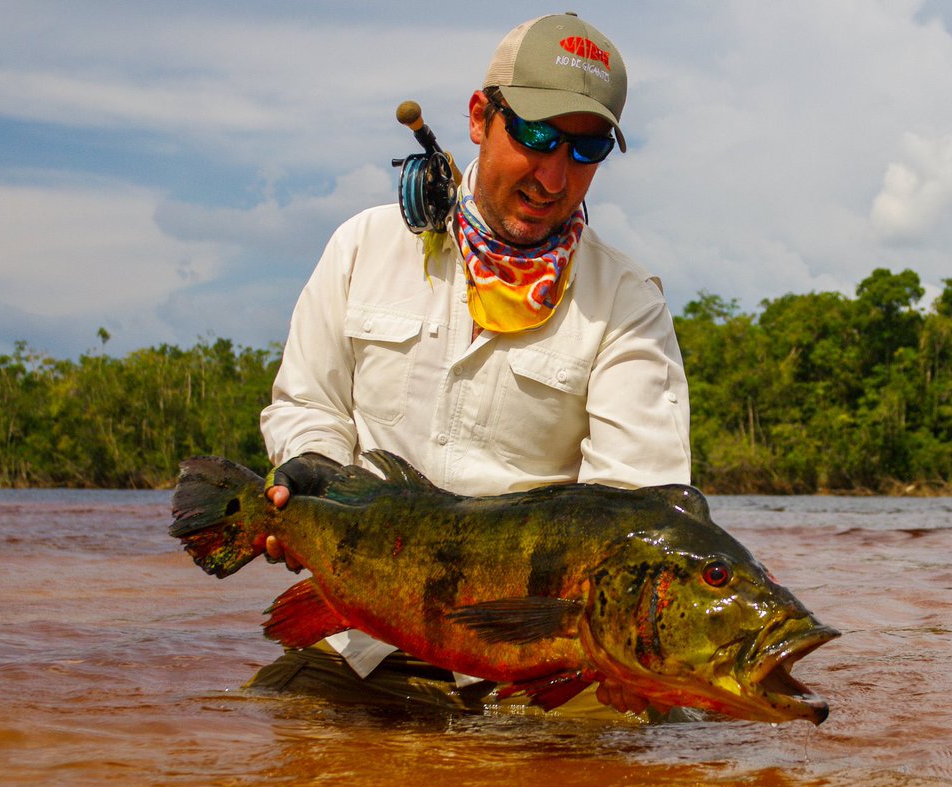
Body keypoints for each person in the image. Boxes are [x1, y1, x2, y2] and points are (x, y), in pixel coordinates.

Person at [250, 12, 692, 722]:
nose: (554, 174)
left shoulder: (627, 303)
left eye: (587, 147)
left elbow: (636, 508)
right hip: (357, 647)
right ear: (480, 116)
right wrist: (307, 474)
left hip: (538, 676)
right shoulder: (362, 247)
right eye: (537, 135)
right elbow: (309, 406)